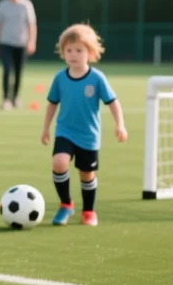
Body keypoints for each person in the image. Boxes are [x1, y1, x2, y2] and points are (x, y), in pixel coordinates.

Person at [41, 23, 127, 227]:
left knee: (86, 175)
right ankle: (65, 204)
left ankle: (88, 211)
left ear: (90, 52)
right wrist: (45, 128)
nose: (73, 55)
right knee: (59, 162)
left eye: (79, 50)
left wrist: (120, 124)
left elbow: (113, 102)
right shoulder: (60, 78)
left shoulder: (97, 78)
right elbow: (52, 103)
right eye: (68, 50)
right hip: (65, 131)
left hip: (88, 135)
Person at [0, 0, 36, 110]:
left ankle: (15, 97)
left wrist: (32, 41)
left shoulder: (26, 5)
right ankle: (5, 99)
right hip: (5, 43)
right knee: (6, 69)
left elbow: (31, 25)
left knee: (18, 72)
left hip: (21, 43)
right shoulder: (2, 5)